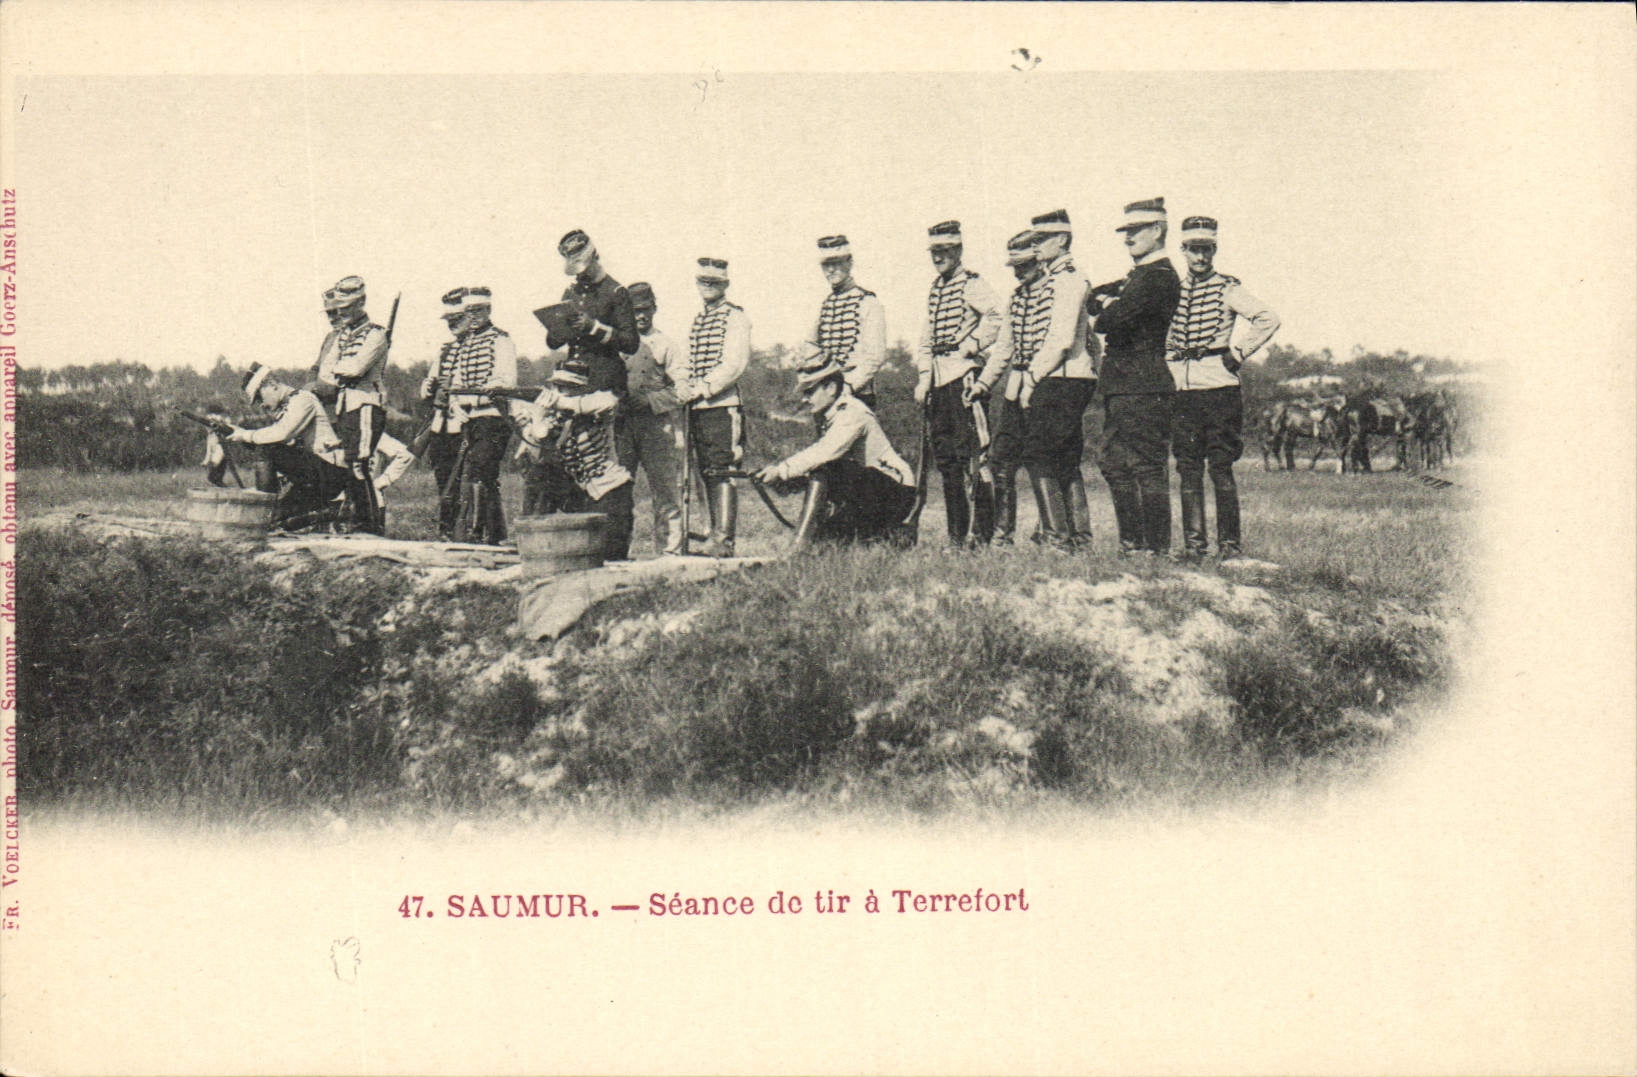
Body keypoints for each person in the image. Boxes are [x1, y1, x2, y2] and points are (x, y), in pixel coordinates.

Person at [1165, 215, 1280, 560]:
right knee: (1187, 468)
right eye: (1194, 250)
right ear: (1183, 250)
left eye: (1207, 250)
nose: (1200, 258)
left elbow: (1267, 318)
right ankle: (1195, 546)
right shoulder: (1172, 290)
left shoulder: (1227, 287)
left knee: (1220, 467)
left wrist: (1239, 351)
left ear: (1214, 250)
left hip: (1218, 388)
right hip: (1181, 391)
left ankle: (1229, 546)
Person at [1088, 197, 1181, 557]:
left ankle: (1154, 548)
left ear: (1157, 230)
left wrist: (1109, 304)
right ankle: (1135, 544)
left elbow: (1105, 320)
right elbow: (1095, 301)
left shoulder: (1158, 277)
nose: (1128, 238)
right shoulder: (1138, 277)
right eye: (1126, 231)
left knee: (1145, 466)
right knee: (1113, 462)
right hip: (1123, 384)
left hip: (1144, 383)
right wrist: (1109, 303)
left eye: (1136, 230)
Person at [755, 360, 915, 547]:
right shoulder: (830, 414)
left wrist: (782, 470)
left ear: (830, 388)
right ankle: (889, 535)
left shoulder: (852, 412)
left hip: (895, 492)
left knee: (825, 468)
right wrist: (778, 480)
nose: (804, 399)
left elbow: (825, 452)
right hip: (868, 492)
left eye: (809, 392)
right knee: (824, 543)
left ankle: (800, 544)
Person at [913, 220, 1003, 549]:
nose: (938, 257)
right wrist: (924, 378)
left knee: (975, 458)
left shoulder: (972, 283)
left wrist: (973, 345)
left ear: (958, 250)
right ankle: (956, 536)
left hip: (963, 376)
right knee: (947, 462)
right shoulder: (935, 288)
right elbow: (926, 339)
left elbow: (997, 316)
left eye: (945, 251)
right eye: (934, 251)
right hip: (938, 380)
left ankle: (981, 534)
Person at [1020, 209, 1097, 548]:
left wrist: (1031, 378)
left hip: (1061, 376)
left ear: (1062, 239)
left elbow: (1062, 339)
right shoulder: (1056, 278)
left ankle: (1057, 536)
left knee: (1039, 454)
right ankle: (1078, 537)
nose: (1035, 247)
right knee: (1063, 456)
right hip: (1065, 375)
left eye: (1042, 239)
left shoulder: (1068, 279)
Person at [420, 287, 517, 544]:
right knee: (474, 474)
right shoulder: (466, 345)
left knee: (482, 470)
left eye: (478, 310)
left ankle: (484, 531)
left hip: (493, 416)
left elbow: (506, 380)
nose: (472, 316)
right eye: (469, 311)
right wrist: (461, 406)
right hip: (469, 418)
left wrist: (477, 395)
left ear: (488, 310)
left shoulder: (500, 340)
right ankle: (486, 532)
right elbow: (458, 382)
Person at [970, 230, 1049, 547]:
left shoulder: (1055, 292)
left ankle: (1050, 532)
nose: (1019, 271)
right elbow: (1003, 348)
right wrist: (983, 383)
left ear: (1039, 259)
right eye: (1015, 266)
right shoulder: (1016, 298)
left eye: (1025, 264)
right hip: (1016, 390)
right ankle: (1003, 536)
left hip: (1046, 389)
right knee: (1001, 461)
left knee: (1043, 462)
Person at [517, 359, 636, 561]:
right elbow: (530, 459)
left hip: (607, 488)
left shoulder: (598, 402)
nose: (561, 391)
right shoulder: (549, 415)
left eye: (569, 387)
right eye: (557, 386)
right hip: (574, 492)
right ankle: (530, 542)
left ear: (583, 389)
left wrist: (558, 402)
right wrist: (535, 421)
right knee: (540, 474)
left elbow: (607, 402)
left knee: (610, 556)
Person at [674, 258, 752, 557]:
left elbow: (734, 363)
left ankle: (724, 539)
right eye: (703, 281)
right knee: (702, 470)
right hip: (696, 408)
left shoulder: (735, 317)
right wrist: (684, 386)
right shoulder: (697, 319)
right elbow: (687, 362)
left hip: (721, 405)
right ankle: (710, 531)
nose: (707, 287)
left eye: (714, 282)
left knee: (723, 469)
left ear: (725, 285)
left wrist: (703, 388)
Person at [226, 363, 351, 530]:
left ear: (272, 385)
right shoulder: (290, 406)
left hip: (330, 474)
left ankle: (264, 508)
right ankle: (327, 511)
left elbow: (282, 434)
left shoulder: (303, 400)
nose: (261, 404)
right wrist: (241, 437)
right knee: (277, 517)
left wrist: (246, 435)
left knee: (266, 448)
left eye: (259, 397)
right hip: (315, 478)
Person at [311, 275, 390, 533]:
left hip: (367, 404)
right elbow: (325, 372)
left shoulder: (376, 334)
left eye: (347, 308)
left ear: (361, 303)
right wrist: (342, 371)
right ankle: (360, 520)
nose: (342, 314)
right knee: (350, 462)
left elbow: (355, 369)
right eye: (339, 309)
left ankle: (370, 524)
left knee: (360, 463)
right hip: (347, 405)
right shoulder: (342, 336)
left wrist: (341, 370)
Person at [616, 281, 689, 556]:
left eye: (646, 309)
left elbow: (684, 388)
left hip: (656, 426)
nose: (641, 316)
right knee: (618, 491)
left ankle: (670, 553)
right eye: (635, 311)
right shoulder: (615, 344)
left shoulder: (666, 344)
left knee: (666, 491)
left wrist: (651, 400)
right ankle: (616, 551)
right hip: (621, 427)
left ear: (655, 309)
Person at [804, 235, 886, 407]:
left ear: (849, 262)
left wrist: (849, 386)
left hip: (857, 393)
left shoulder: (868, 302)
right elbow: (811, 345)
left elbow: (874, 356)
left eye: (836, 263)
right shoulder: (825, 305)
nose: (831, 270)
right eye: (826, 265)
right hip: (827, 395)